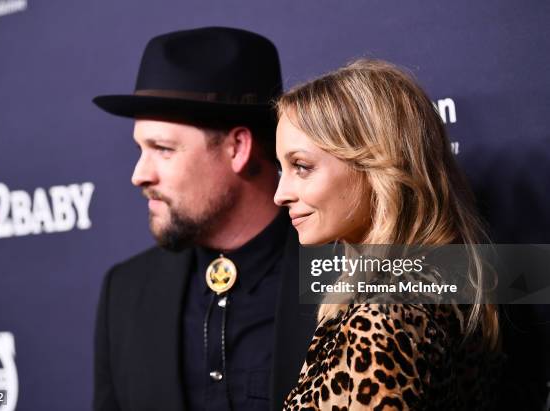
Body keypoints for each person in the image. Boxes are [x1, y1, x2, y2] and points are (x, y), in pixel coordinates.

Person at [91, 27, 316, 411]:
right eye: (140, 149)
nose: (139, 174)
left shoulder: (360, 271)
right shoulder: (125, 292)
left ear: (237, 148)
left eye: (162, 149)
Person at [273, 59, 504, 410]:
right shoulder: (446, 282)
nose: (280, 194)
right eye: (282, 169)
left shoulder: (383, 317)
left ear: (377, 164)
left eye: (301, 167)